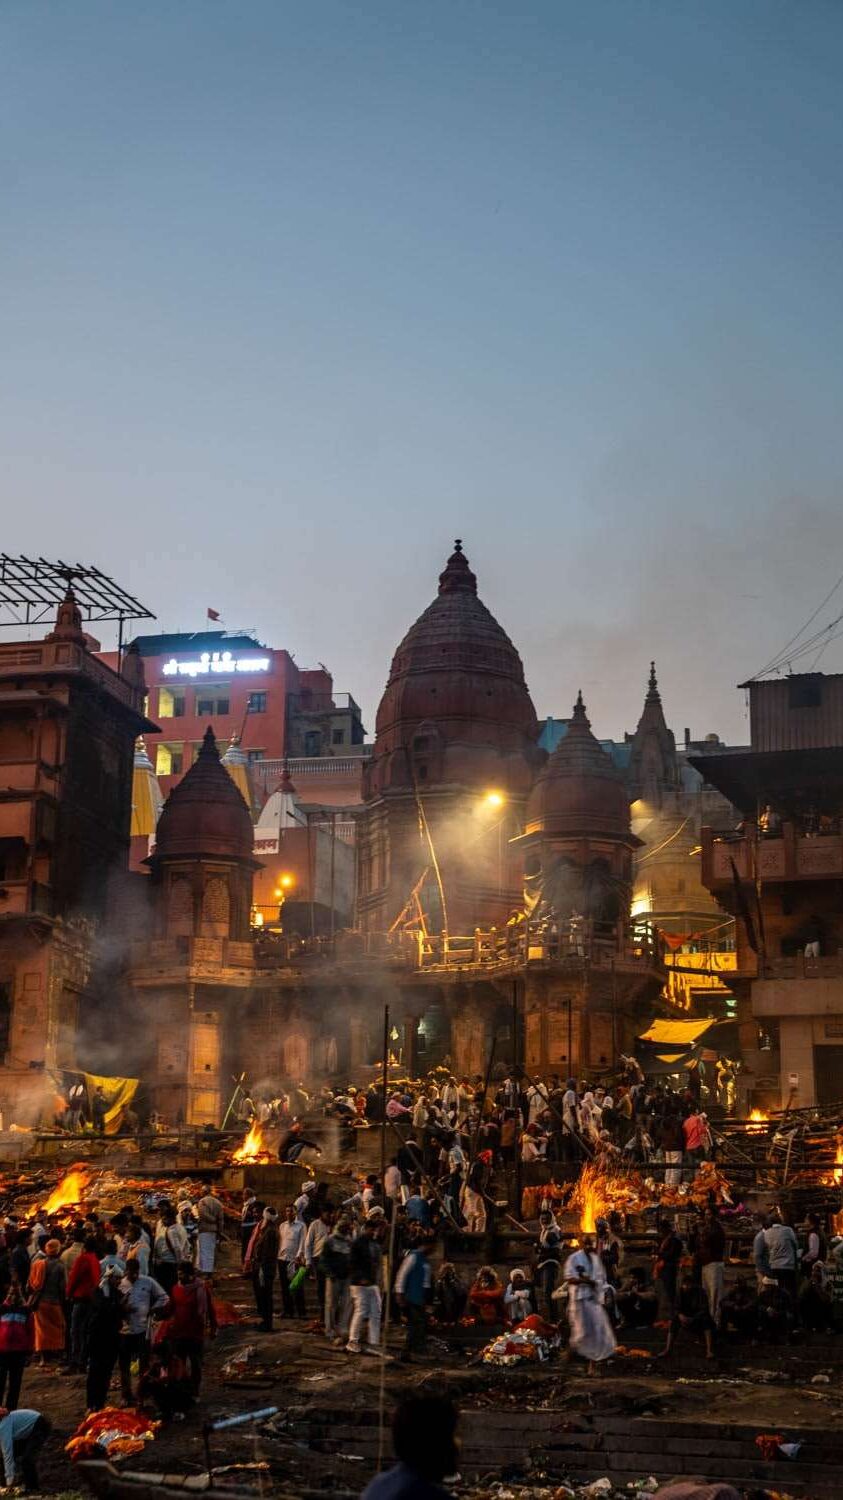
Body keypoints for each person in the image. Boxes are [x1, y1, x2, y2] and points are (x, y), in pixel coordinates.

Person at [361, 1394, 459, 1500]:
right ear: (434, 1443)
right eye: (452, 1435)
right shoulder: (425, 1495)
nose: (458, 1444)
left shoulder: (378, 1485)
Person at [559, 1234, 617, 1373]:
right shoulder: (574, 1259)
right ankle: (569, 1357)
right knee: (581, 1334)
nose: (589, 1247)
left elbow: (601, 1280)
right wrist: (585, 1281)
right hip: (579, 1301)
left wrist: (599, 1289)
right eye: (585, 1244)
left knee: (599, 1330)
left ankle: (593, 1365)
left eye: (591, 1244)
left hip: (594, 1300)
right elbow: (569, 1278)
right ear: (580, 1244)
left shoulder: (596, 1260)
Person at [118, 1260, 168, 1405]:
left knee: (144, 1364)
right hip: (124, 1331)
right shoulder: (120, 1284)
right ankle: (126, 1396)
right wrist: (123, 1309)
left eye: (136, 1273)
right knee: (124, 1365)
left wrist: (153, 1309)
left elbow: (164, 1297)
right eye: (131, 1273)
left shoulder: (147, 1282)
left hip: (142, 1330)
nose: (133, 1276)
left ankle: (142, 1395)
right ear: (126, 1271)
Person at [166, 1260, 217, 1395]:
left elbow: (210, 1309)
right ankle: (183, 1392)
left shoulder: (201, 1288)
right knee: (179, 1365)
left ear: (189, 1275)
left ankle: (195, 1392)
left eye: (181, 1274)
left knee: (196, 1365)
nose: (179, 1277)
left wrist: (213, 1327)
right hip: (179, 1333)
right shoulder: (176, 1289)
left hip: (195, 1334)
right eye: (178, 1274)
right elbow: (170, 1308)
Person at [85, 1268, 124, 1412]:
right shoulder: (99, 1293)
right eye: (117, 1279)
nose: (119, 1281)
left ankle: (99, 1403)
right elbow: (102, 1310)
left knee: (106, 1372)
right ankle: (91, 1404)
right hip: (98, 1337)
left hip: (111, 1338)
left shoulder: (116, 1293)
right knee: (95, 1372)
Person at [346, 1216, 383, 1356]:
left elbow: (376, 1262)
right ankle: (352, 1341)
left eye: (375, 1230)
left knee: (376, 1311)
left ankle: (373, 1342)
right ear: (366, 1229)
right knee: (361, 1310)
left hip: (372, 1283)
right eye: (372, 1229)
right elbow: (352, 1262)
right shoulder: (358, 1243)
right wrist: (360, 1277)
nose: (374, 1232)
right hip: (359, 1283)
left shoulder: (374, 1243)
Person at [66, 1235, 101, 1372]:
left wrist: (68, 1293)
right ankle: (83, 1361)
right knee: (85, 1331)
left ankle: (75, 1361)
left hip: (80, 1298)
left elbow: (74, 1277)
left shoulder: (83, 1259)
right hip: (92, 1299)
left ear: (84, 1247)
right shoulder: (95, 1260)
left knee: (75, 1330)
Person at [28, 1240, 65, 1365]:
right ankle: (54, 1355)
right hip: (55, 1302)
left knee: (41, 1330)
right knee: (57, 1329)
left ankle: (43, 1358)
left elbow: (30, 1284)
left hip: (40, 1302)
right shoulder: (60, 1266)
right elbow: (62, 1287)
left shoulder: (37, 1264)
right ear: (58, 1250)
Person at [395, 1238, 432, 1362]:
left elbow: (426, 1282)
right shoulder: (413, 1257)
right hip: (411, 1296)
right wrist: (399, 1292)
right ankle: (408, 1351)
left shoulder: (425, 1261)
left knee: (419, 1325)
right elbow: (402, 1274)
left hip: (420, 1298)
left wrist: (427, 1299)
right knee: (415, 1325)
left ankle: (413, 1350)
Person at [663, 1274, 715, 1359]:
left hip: (698, 1318)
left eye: (688, 1284)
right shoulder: (680, 1292)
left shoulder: (700, 1292)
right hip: (685, 1317)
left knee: (706, 1321)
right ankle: (667, 1349)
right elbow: (676, 1307)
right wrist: (680, 1315)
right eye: (685, 1285)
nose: (686, 1287)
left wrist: (693, 1318)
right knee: (674, 1321)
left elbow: (704, 1309)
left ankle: (709, 1350)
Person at [0, 1407, 52, 1491]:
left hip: (39, 1425)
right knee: (6, 1457)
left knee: (26, 1459)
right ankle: (5, 1484)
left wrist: (9, 1480)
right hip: (27, 1431)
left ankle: (32, 1488)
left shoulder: (3, 1426)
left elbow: (8, 1454)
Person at [0, 1285, 34, 1411]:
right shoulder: (2, 1309)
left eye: (16, 1294)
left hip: (19, 1352)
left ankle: (11, 1410)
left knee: (15, 1383)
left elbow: (31, 1332)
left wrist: (30, 1351)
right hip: (2, 1351)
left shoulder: (26, 1311)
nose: (13, 1297)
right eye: (11, 1294)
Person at [321, 1217, 353, 1345]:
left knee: (346, 1304)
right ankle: (330, 1330)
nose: (346, 1229)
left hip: (346, 1278)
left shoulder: (349, 1241)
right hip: (333, 1277)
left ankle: (343, 1329)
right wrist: (329, 1273)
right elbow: (323, 1260)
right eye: (344, 1227)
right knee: (331, 1305)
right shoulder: (330, 1241)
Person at [693, 1209, 726, 1329]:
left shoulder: (716, 1230)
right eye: (706, 1214)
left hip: (714, 1264)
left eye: (710, 1214)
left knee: (715, 1295)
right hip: (706, 1264)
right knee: (707, 1295)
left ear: (715, 1215)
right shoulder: (707, 1229)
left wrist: (700, 1232)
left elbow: (706, 1241)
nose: (707, 1217)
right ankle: (708, 1322)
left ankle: (715, 1322)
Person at [250, 1208, 280, 1332]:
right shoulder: (268, 1230)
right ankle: (265, 1321)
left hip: (265, 1268)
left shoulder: (270, 1232)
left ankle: (267, 1324)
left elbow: (267, 1253)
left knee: (266, 1296)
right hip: (264, 1266)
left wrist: (261, 1266)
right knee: (263, 1296)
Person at [277, 1205, 306, 1318]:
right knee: (284, 1287)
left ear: (296, 1213)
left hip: (295, 1260)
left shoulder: (301, 1226)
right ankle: (287, 1311)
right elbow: (280, 1241)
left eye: (291, 1211)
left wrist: (299, 1255)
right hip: (282, 1258)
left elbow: (302, 1242)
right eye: (287, 1211)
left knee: (297, 1286)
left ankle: (301, 1312)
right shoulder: (282, 1226)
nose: (289, 1213)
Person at [534, 1211, 563, 1322]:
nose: (544, 1221)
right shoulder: (544, 1230)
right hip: (543, 1263)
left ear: (551, 1219)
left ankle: (554, 1319)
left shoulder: (554, 1230)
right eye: (542, 1219)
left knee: (548, 1291)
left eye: (546, 1219)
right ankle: (551, 1318)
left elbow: (555, 1249)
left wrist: (540, 1249)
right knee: (545, 1292)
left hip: (550, 1263)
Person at [764, 1214, 799, 1302]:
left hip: (774, 1266)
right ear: (781, 1221)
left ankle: (778, 1310)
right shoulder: (788, 1230)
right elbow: (795, 1244)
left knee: (777, 1292)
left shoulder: (767, 1233)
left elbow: (768, 1248)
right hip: (788, 1266)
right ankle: (790, 1311)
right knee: (789, 1291)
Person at [194, 1179, 226, 1276]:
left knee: (204, 1251)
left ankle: (206, 1272)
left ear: (204, 1192)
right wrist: (219, 1230)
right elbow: (221, 1219)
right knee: (211, 1250)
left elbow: (203, 1215)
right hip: (214, 1230)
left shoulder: (202, 1202)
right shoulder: (218, 1202)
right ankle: (209, 1270)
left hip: (205, 1230)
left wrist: (213, 1221)